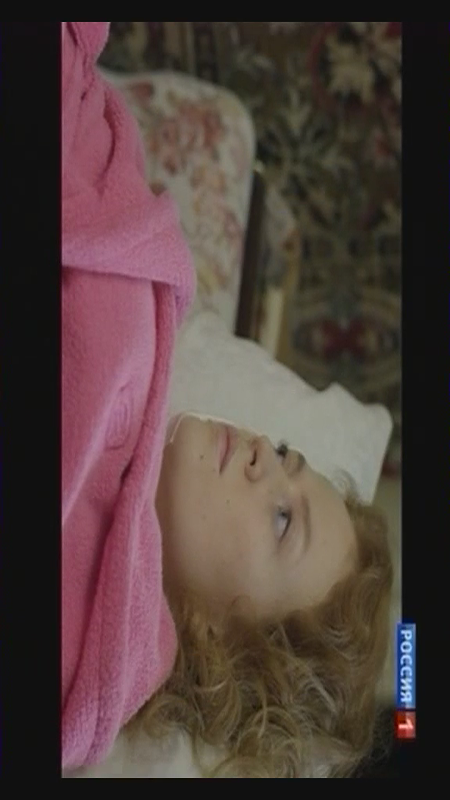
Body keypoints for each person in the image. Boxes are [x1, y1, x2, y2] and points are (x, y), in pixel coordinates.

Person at [62, 23, 393, 778]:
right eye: (287, 456)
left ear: (221, 642)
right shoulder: (152, 344)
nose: (263, 455)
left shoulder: (86, 649)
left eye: (282, 520)